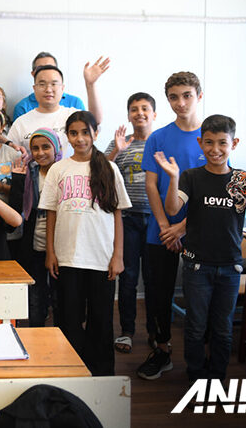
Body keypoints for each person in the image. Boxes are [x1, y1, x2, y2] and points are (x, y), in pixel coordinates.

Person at [154, 114, 246, 383]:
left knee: (223, 329)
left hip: (231, 267)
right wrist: (173, 178)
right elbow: (173, 208)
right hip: (197, 266)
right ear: (200, 142)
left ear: (234, 143)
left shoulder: (243, 180)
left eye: (222, 143)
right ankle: (197, 376)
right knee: (196, 327)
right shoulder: (191, 176)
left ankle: (217, 378)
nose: (215, 149)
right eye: (209, 142)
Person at [40, 111, 131, 377]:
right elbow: (51, 213)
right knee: (69, 318)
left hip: (101, 258)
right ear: (67, 136)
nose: (79, 138)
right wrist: (51, 252)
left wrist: (118, 256)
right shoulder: (59, 169)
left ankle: (101, 375)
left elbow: (117, 214)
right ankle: (72, 370)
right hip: (67, 257)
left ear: (95, 134)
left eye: (84, 132)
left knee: (101, 320)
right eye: (73, 133)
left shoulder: (109, 168)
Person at [136, 72, 207, 381]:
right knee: (158, 293)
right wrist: (167, 225)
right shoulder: (158, 137)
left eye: (187, 95)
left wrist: (183, 228)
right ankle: (162, 349)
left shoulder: (211, 137)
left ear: (198, 96)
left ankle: (202, 356)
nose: (181, 102)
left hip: (201, 230)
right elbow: (152, 185)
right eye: (174, 97)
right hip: (160, 230)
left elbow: (216, 189)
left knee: (200, 295)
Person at [104, 93, 157, 354]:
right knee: (127, 279)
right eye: (134, 109)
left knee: (155, 279)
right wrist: (116, 150)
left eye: (145, 108)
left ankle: (157, 333)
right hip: (127, 221)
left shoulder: (162, 143)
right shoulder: (120, 143)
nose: (139, 113)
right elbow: (98, 173)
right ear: (128, 115)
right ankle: (126, 332)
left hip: (157, 221)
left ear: (154, 114)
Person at [13, 128, 63, 327]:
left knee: (60, 294)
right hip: (33, 239)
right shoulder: (29, 171)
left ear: (56, 148)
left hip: (60, 241)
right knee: (36, 294)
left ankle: (62, 336)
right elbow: (20, 205)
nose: (40, 152)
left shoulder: (65, 171)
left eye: (46, 147)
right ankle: (37, 332)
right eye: (35, 148)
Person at [7, 60, 109, 154]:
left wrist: (90, 85)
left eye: (54, 84)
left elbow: (95, 121)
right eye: (42, 84)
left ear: (62, 88)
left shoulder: (73, 115)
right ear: (34, 88)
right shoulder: (21, 123)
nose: (48, 89)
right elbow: (9, 155)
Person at [11, 52, 86, 122]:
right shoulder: (23, 107)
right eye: (40, 68)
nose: (46, 71)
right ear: (33, 73)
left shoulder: (75, 103)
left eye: (50, 67)